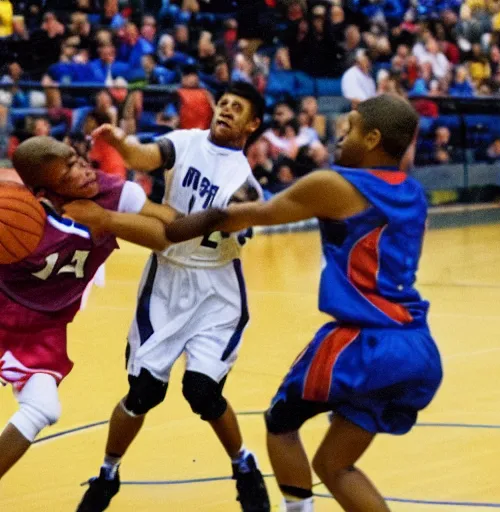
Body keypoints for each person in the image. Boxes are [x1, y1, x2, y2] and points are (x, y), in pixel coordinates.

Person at [65, 94, 443, 512]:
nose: (337, 134)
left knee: (280, 425)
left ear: (372, 138)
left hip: (364, 342)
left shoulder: (333, 184)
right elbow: (145, 154)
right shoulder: (414, 192)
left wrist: (162, 225)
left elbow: (248, 214)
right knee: (334, 466)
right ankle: (114, 472)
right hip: (417, 345)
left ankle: (284, 499)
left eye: (350, 127)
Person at [70, 81, 270, 512]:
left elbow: (182, 228)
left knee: (201, 392)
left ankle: (244, 464)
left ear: (252, 125)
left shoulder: (248, 188)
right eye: (224, 103)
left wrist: (122, 219)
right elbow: (146, 156)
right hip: (166, 279)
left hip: (216, 289)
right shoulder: (186, 141)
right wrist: (124, 145)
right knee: (143, 391)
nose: (227, 110)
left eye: (238, 108)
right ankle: (107, 473)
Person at [0, 135, 160, 481]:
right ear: (43, 192)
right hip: (4, 307)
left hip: (44, 326)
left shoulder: (114, 195)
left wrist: (107, 220)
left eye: (77, 159)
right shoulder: (17, 211)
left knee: (43, 408)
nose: (83, 171)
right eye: (67, 171)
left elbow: (164, 234)